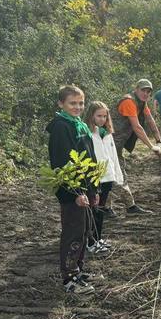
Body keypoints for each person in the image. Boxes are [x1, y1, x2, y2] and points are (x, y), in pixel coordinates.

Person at [46, 85, 98, 294]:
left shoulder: (79, 125)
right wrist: (75, 193)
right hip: (73, 192)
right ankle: (69, 278)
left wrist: (92, 189)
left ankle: (78, 269)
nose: (78, 107)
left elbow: (89, 160)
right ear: (61, 104)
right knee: (73, 232)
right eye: (72, 103)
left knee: (84, 231)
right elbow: (62, 164)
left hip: (85, 189)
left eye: (80, 103)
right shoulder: (61, 127)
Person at [109, 78, 161, 216]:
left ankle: (106, 207)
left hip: (117, 144)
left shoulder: (142, 104)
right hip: (108, 142)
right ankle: (130, 207)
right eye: (143, 90)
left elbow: (150, 121)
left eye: (148, 91)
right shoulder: (129, 101)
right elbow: (137, 127)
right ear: (136, 89)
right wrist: (152, 146)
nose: (145, 94)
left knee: (111, 174)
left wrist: (159, 141)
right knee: (118, 174)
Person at [85, 101, 124, 254]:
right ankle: (90, 242)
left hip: (107, 177)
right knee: (93, 210)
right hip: (95, 178)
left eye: (104, 116)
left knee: (100, 209)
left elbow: (113, 156)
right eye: (98, 116)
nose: (102, 119)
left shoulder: (107, 133)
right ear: (91, 116)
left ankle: (97, 239)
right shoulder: (88, 133)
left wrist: (116, 174)